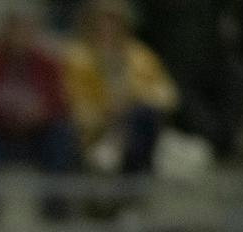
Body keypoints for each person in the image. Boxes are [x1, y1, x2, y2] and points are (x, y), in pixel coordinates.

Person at [0, 6, 77, 174]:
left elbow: (59, 105)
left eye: (25, 31)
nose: (19, 37)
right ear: (4, 32)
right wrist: (5, 115)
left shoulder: (47, 64)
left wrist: (40, 114)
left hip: (36, 135)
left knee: (61, 134)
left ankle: (56, 199)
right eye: (15, 31)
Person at [63, 0, 178, 173]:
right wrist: (103, 112)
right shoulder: (75, 57)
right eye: (101, 20)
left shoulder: (140, 56)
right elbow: (70, 100)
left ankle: (134, 175)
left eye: (114, 21)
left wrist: (131, 100)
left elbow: (167, 95)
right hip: (92, 132)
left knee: (143, 116)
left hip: (133, 124)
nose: (107, 27)